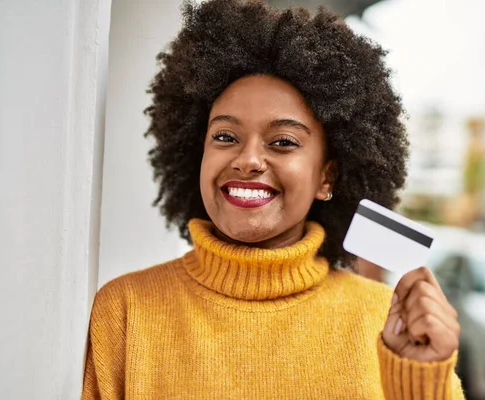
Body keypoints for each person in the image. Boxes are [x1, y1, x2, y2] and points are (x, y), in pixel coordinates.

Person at [82, 0, 463, 398]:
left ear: (326, 176)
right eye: (225, 137)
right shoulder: (126, 310)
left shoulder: (387, 324)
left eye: (283, 141)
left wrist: (421, 384)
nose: (247, 160)